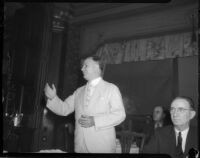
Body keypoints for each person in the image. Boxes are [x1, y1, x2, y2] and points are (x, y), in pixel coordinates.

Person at [44, 55, 126, 153]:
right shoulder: (79, 91)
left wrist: (95, 121)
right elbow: (64, 109)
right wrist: (52, 98)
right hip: (80, 146)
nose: (82, 69)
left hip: (102, 146)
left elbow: (120, 114)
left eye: (86, 66)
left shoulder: (111, 89)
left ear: (96, 67)